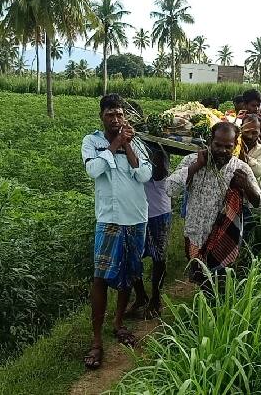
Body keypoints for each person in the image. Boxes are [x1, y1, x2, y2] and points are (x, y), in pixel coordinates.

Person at [81, 94, 153, 369]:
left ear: (125, 117)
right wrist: (114, 145)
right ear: (102, 116)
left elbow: (145, 175)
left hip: (136, 217)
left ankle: (119, 323)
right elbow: (95, 169)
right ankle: (96, 341)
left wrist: (129, 145)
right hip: (109, 219)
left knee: (129, 273)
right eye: (110, 114)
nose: (116, 119)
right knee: (100, 277)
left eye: (120, 114)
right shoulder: (92, 142)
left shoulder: (138, 144)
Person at [166, 122, 261, 292]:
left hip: (225, 240)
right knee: (202, 285)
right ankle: (202, 314)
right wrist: (197, 166)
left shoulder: (241, 169)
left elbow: (260, 207)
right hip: (195, 236)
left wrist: (247, 187)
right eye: (218, 145)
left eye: (228, 146)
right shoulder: (192, 161)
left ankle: (215, 315)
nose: (222, 150)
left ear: (235, 145)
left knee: (219, 287)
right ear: (209, 141)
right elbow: (170, 189)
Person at [127, 142, 172, 319]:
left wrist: (150, 148)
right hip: (134, 211)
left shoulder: (157, 147)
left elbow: (159, 173)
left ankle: (156, 298)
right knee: (131, 256)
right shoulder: (125, 144)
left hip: (157, 211)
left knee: (158, 257)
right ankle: (140, 296)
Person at [239, 114, 261, 180]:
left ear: (260, 131)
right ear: (241, 129)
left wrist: (244, 156)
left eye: (254, 133)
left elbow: (258, 172)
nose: (249, 136)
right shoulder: (232, 146)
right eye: (246, 132)